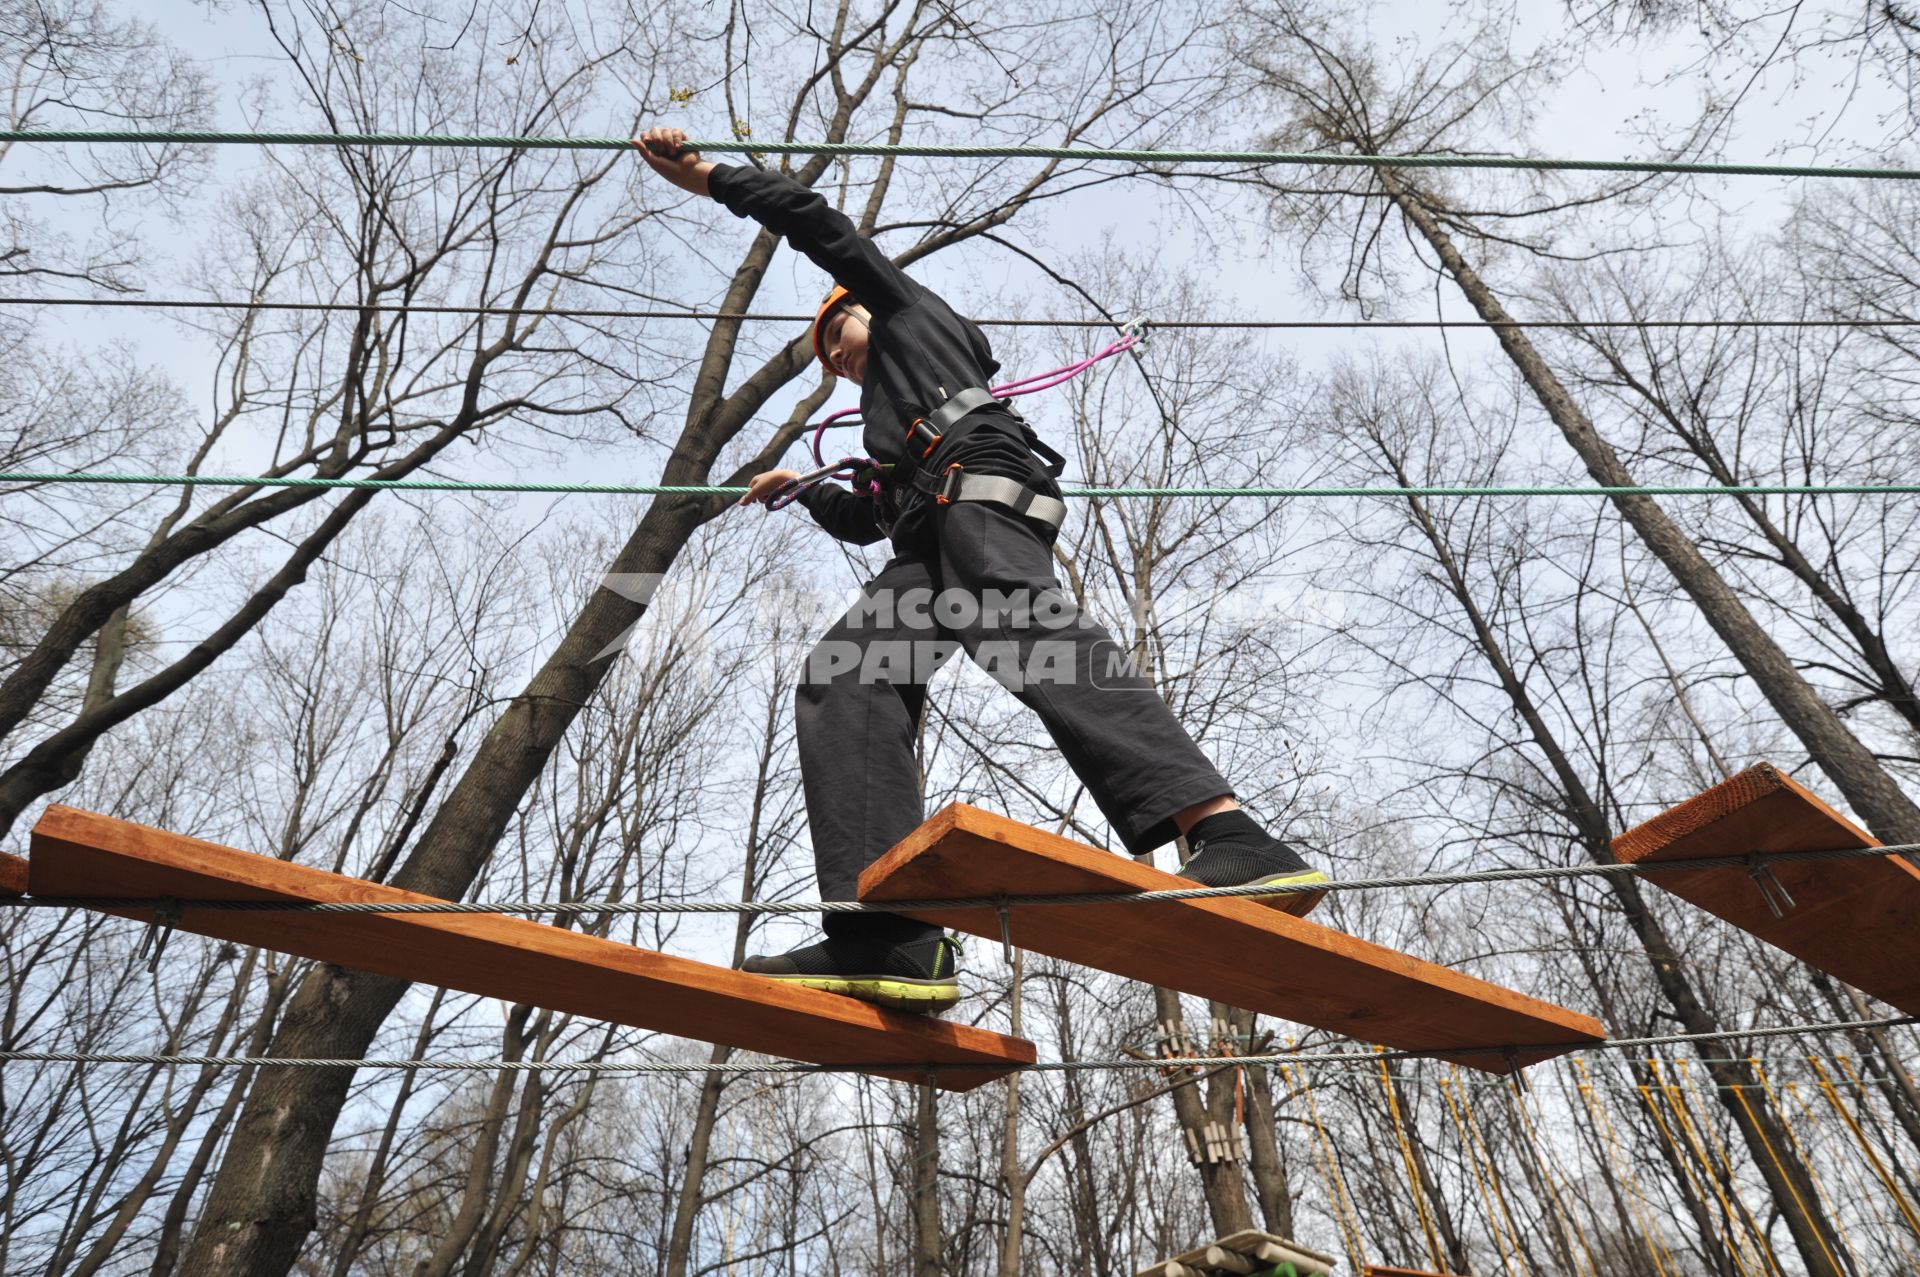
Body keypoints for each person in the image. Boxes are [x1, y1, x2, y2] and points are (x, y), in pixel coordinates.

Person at [636, 128, 1327, 1013]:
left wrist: (714, 179)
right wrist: (805, 491)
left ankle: (1228, 831)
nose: (839, 358)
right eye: (830, 361)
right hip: (931, 527)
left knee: (1018, 623)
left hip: (981, 486)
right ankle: (888, 931)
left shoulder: (909, 316)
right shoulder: (888, 440)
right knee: (844, 677)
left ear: (865, 306)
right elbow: (870, 519)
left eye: (837, 335)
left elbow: (822, 227)